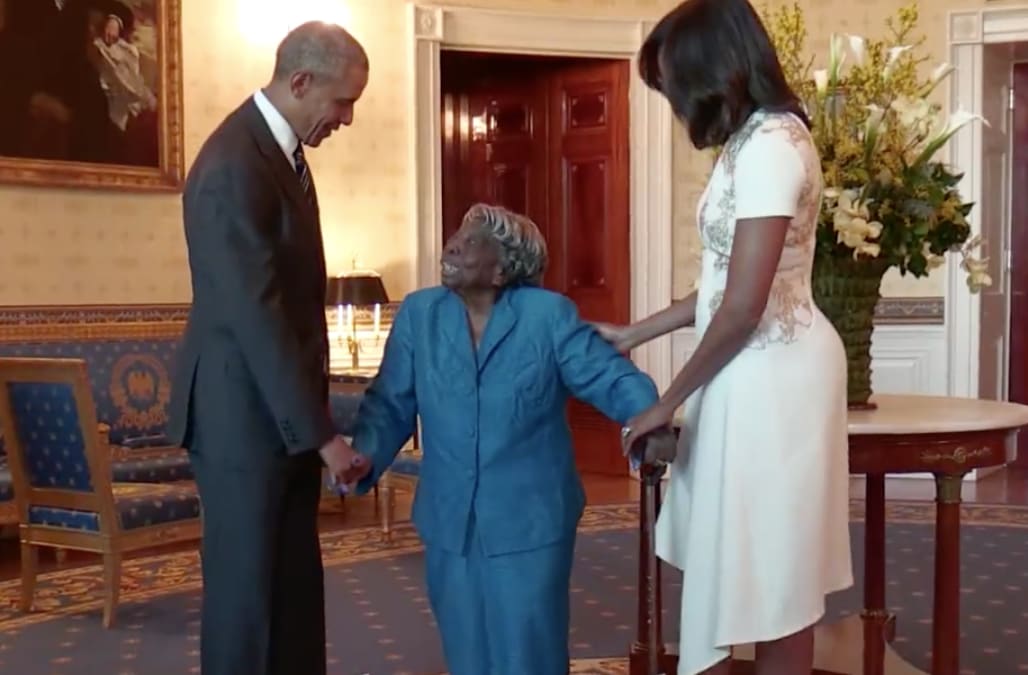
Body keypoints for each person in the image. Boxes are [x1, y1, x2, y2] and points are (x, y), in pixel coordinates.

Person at [595, 0, 854, 673]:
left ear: (715, 69)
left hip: (773, 376)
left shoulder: (771, 147)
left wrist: (666, 399)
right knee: (760, 560)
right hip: (750, 367)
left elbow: (741, 307)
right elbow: (718, 285)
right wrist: (634, 332)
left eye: (676, 83)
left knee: (780, 571)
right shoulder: (755, 138)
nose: (677, 102)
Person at [339, 203, 677, 675]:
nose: (453, 244)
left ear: (502, 269)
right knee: (467, 656)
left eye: (473, 240)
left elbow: (612, 377)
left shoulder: (546, 316)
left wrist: (649, 421)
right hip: (449, 520)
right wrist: (362, 458)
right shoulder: (420, 314)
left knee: (528, 656)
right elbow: (390, 402)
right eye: (456, 234)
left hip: (530, 520)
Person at [167, 21, 369, 675]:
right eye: (342, 101)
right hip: (237, 417)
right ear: (301, 81)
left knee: (291, 588)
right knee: (246, 599)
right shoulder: (231, 164)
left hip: (272, 415)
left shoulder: (277, 153)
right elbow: (257, 313)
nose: (347, 117)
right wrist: (324, 434)